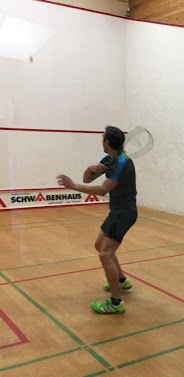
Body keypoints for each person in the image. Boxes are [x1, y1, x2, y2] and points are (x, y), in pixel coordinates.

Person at [57, 125, 137, 314]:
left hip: (124, 213)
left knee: (105, 253)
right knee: (99, 245)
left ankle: (116, 303)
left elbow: (102, 190)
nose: (102, 142)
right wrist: (90, 169)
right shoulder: (110, 159)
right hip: (117, 211)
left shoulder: (122, 162)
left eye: (102, 139)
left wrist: (73, 186)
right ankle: (122, 281)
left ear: (107, 142)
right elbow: (88, 180)